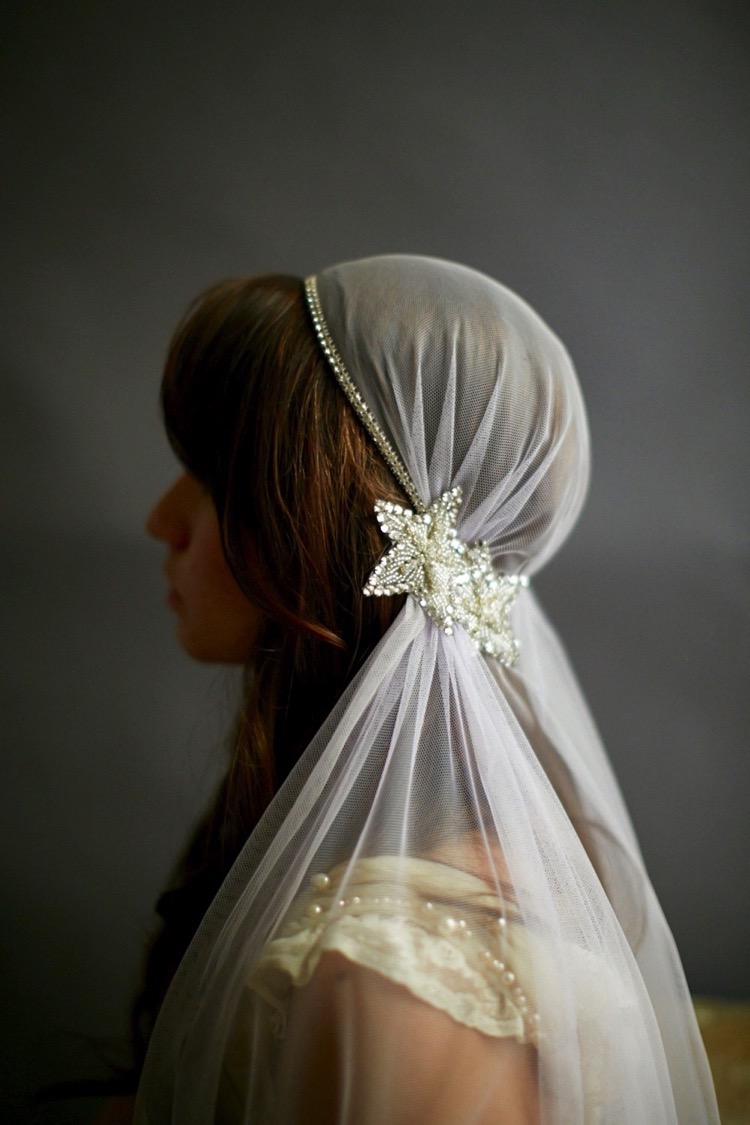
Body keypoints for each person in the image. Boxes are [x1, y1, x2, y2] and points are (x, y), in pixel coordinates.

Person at [130, 256, 717, 1122]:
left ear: (320, 532)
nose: (160, 519)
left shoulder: (393, 982)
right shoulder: (395, 900)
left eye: (214, 475)